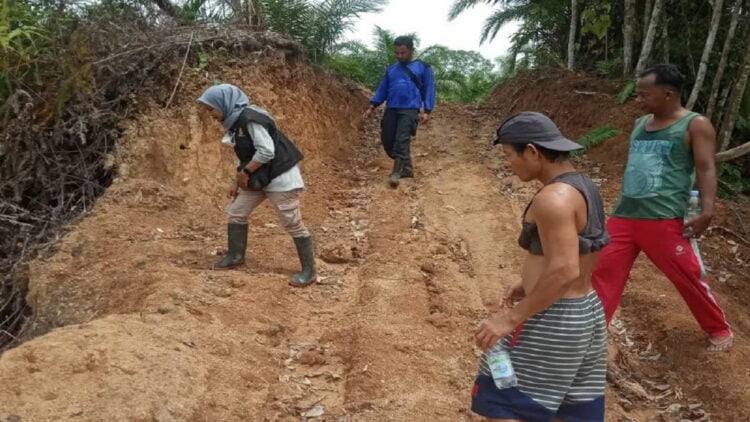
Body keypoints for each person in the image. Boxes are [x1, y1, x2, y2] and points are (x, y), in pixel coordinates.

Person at [472, 112, 609, 422]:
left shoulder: (553, 199)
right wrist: (529, 282)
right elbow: (580, 254)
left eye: (509, 155)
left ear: (532, 151)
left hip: (553, 319)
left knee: (504, 400)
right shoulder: (584, 187)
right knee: (568, 408)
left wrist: (510, 319)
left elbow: (564, 270)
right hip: (584, 314)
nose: (508, 163)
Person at [591, 64, 733, 352]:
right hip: (624, 215)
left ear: (668, 94)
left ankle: (718, 328)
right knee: (602, 272)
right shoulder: (639, 125)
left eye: (644, 95)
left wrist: (707, 210)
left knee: (687, 276)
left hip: (665, 218)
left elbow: (705, 168)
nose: (638, 100)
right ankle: (591, 332)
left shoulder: (695, 125)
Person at [197, 84, 316, 288]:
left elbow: (267, 151)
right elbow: (245, 155)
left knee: (292, 223)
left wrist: (245, 173)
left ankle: (309, 270)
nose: (211, 115)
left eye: (211, 109)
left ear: (223, 104)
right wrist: (237, 180)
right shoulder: (236, 123)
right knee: (236, 211)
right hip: (260, 177)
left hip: (280, 178)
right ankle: (235, 256)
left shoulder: (250, 119)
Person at [362, 35, 436, 188]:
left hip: (410, 108)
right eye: (397, 53)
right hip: (392, 107)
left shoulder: (423, 67)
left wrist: (427, 110)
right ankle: (406, 167)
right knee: (387, 138)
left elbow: (429, 89)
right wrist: (372, 106)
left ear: (411, 50)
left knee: (402, 139)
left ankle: (396, 172)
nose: (400, 56)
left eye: (403, 53)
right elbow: (383, 89)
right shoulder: (391, 70)